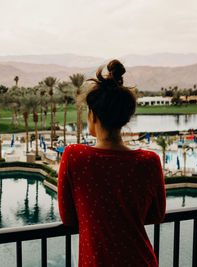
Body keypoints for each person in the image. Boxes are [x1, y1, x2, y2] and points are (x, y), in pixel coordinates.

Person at [58, 59, 166, 267]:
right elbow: (156, 215)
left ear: (93, 115)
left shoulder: (75, 157)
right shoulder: (149, 162)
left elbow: (68, 219)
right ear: (125, 118)